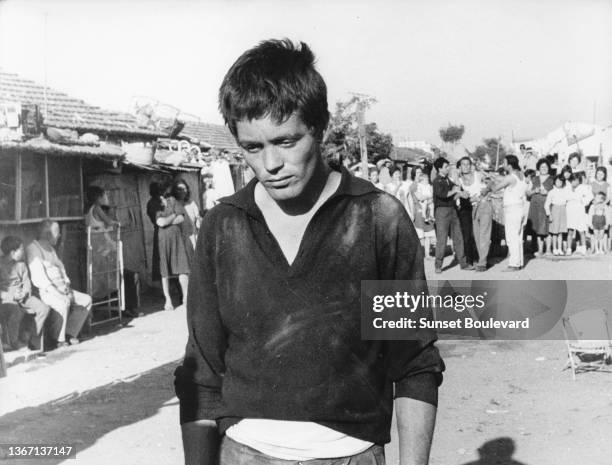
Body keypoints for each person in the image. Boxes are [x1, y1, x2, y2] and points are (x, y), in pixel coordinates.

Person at [174, 39, 444, 465]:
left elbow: (414, 363)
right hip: (244, 455)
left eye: (286, 141)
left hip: (352, 457)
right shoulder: (223, 227)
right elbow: (201, 374)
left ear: (319, 126)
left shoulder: (378, 220)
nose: (270, 164)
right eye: (252, 147)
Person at [26, 220, 91, 348]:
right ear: (47, 234)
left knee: (86, 299)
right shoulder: (33, 249)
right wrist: (60, 295)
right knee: (64, 303)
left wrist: (66, 284)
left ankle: (69, 333)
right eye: (57, 232)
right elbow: (41, 279)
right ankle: (59, 340)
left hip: (62, 288)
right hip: (46, 291)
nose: (59, 235)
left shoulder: (50, 248)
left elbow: (60, 267)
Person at [0, 236, 50, 351]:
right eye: (21, 250)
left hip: (23, 296)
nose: (23, 252)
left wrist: (24, 292)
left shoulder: (21, 265)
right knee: (15, 311)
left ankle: (28, 335)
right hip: (6, 299)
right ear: (13, 252)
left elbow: (27, 283)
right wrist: (11, 296)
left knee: (43, 308)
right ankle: (14, 342)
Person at [485, 155, 527, 271]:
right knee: (518, 237)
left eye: (504, 163)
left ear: (509, 165)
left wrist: (490, 183)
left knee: (511, 237)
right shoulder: (521, 175)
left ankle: (514, 264)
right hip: (520, 208)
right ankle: (519, 262)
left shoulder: (510, 177)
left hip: (512, 210)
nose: (503, 165)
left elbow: (495, 188)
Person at [432, 157, 472, 273]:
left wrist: (460, 193)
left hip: (453, 210)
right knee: (442, 239)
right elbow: (444, 195)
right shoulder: (437, 181)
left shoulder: (448, 180)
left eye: (448, 166)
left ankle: (463, 264)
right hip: (442, 211)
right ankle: (438, 265)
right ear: (439, 169)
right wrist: (456, 191)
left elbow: (454, 193)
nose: (448, 168)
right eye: (446, 166)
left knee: (458, 237)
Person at [156, 186, 190, 312]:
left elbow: (181, 218)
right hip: (163, 240)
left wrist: (169, 219)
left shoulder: (173, 201)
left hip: (177, 238)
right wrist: (174, 215)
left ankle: (186, 298)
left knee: (182, 267)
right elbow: (161, 223)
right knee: (165, 271)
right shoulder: (156, 205)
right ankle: (168, 300)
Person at [526, 159, 554, 256]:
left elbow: (557, 192)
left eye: (546, 167)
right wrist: (535, 191)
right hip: (535, 206)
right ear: (538, 168)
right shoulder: (534, 179)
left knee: (548, 227)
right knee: (538, 227)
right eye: (542, 167)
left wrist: (547, 193)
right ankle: (540, 249)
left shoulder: (552, 179)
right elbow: (527, 193)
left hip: (547, 206)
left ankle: (548, 250)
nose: (544, 169)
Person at [85, 185, 120, 257]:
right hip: (100, 237)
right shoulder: (97, 208)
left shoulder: (88, 210)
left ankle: (106, 255)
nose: (107, 198)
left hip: (92, 239)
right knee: (116, 247)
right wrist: (117, 223)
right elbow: (109, 222)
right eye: (105, 196)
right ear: (99, 198)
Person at [456, 157, 478, 266]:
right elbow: (455, 195)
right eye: (463, 164)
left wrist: (481, 197)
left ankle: (480, 258)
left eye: (467, 164)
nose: (465, 166)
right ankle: (470, 260)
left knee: (477, 234)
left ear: (471, 165)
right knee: (467, 235)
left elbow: (490, 186)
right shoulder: (458, 180)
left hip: (479, 208)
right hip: (465, 209)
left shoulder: (478, 176)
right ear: (459, 167)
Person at [565, 173, 592, 255]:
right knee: (570, 230)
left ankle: (583, 248)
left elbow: (590, 197)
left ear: (579, 181)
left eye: (577, 180)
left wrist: (583, 202)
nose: (575, 182)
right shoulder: (567, 187)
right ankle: (569, 249)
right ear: (570, 180)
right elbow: (565, 198)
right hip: (570, 210)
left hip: (580, 210)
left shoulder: (583, 188)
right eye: (573, 180)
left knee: (581, 230)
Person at [146, 181, 167, 283]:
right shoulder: (152, 203)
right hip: (160, 232)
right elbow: (157, 219)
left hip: (169, 231)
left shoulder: (164, 201)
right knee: (161, 258)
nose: (161, 192)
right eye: (158, 190)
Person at [412, 169, 435, 259]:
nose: (427, 181)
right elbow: (419, 197)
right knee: (421, 235)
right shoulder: (417, 186)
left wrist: (429, 198)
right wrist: (427, 198)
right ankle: (420, 254)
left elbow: (432, 195)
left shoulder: (429, 186)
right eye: (417, 173)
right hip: (420, 211)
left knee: (427, 235)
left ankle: (427, 254)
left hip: (428, 207)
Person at [173, 180, 201, 251]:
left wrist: (199, 221)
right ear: (175, 191)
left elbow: (198, 219)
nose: (183, 191)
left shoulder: (191, 203)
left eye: (184, 189)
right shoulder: (173, 204)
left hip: (192, 237)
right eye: (179, 189)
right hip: (180, 238)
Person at [544, 175, 568, 255]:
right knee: (554, 232)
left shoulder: (565, 191)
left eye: (560, 182)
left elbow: (567, 201)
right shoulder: (552, 192)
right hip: (555, 211)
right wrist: (549, 214)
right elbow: (547, 204)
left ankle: (560, 249)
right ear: (554, 182)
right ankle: (554, 248)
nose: (559, 183)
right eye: (557, 181)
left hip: (563, 211)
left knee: (561, 232)